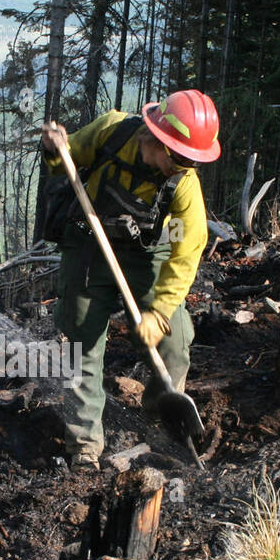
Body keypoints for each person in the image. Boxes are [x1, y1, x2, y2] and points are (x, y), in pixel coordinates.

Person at [41, 89, 221, 469]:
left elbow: (186, 252)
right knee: (82, 337)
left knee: (176, 335)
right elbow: (64, 162)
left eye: (192, 160)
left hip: (146, 253)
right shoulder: (113, 131)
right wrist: (56, 149)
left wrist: (158, 312)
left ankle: (160, 420)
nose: (184, 167)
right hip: (89, 242)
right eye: (179, 157)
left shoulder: (184, 182)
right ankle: (85, 446)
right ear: (155, 138)